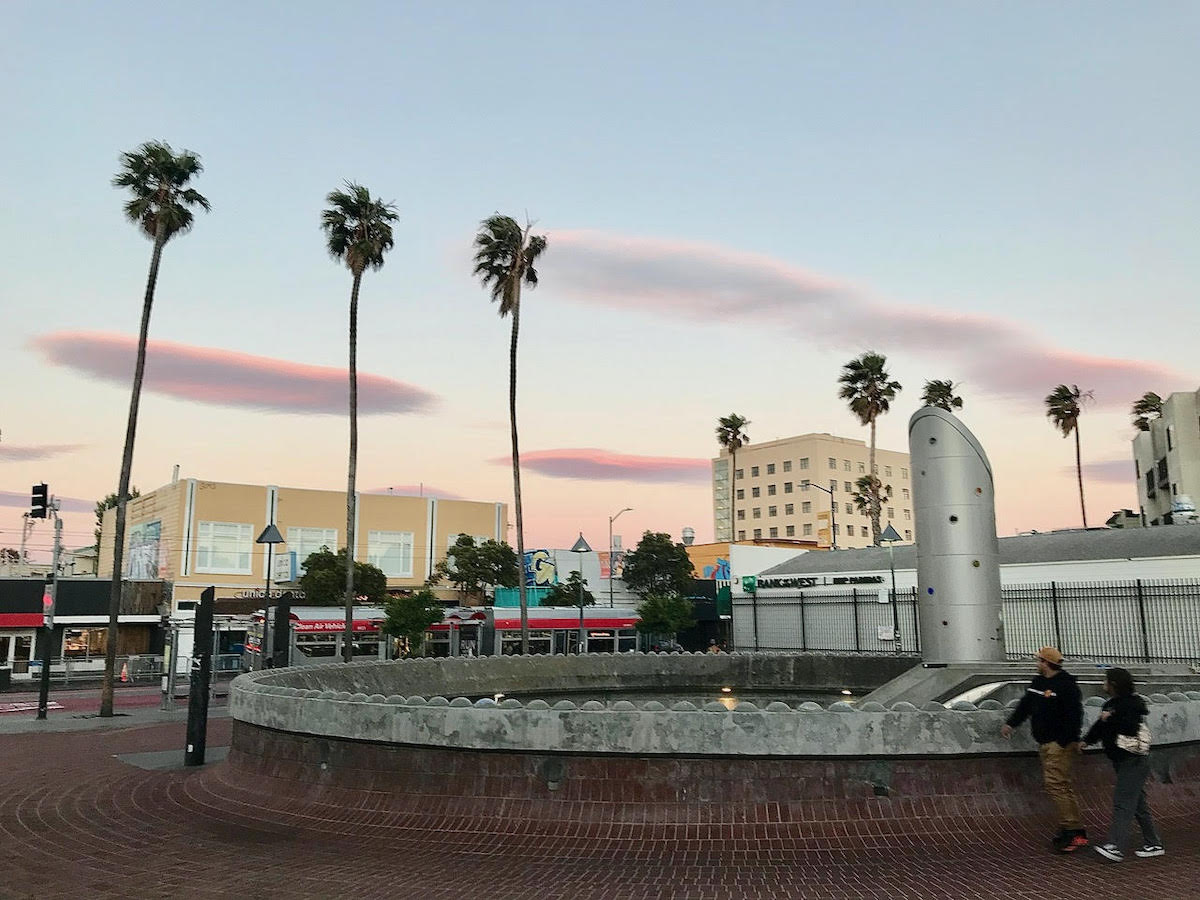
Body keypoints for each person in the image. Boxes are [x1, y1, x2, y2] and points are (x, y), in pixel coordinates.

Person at [1001, 646, 1086, 852]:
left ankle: (1073, 830)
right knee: (1060, 785)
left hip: (1058, 744)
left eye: (1039, 660)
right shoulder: (1038, 683)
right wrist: (1012, 723)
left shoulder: (1066, 686)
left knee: (1056, 785)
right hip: (1045, 743)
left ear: (1046, 663)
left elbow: (1075, 716)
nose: (1036, 664)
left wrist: (1064, 741)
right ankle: (1072, 827)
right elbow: (1026, 705)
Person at [1081, 667, 1164, 862]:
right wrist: (1086, 740)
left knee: (1123, 803)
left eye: (1106, 680)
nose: (1104, 683)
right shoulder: (1111, 704)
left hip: (1133, 760)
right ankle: (1154, 843)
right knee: (1137, 804)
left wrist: (1111, 718)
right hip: (1122, 760)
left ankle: (1116, 846)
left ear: (1114, 684)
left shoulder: (1132, 704)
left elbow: (1129, 728)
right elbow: (1100, 727)